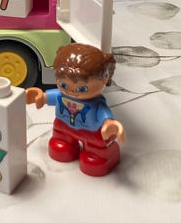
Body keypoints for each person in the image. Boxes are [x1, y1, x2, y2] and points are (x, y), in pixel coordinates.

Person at [26, 43, 125, 176]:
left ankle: (97, 154)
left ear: (105, 79)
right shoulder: (61, 95)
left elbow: (104, 113)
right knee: (60, 144)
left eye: (81, 88)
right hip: (64, 126)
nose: (71, 92)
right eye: (63, 84)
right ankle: (65, 143)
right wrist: (40, 97)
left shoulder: (96, 103)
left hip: (91, 132)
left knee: (95, 154)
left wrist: (109, 123)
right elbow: (48, 97)